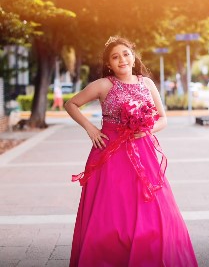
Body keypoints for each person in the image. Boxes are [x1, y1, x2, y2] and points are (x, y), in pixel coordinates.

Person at [65, 36, 198, 267]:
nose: (122, 60)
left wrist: (146, 129)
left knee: (153, 210)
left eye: (126, 54)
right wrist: (91, 130)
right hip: (109, 153)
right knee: (111, 212)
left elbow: (163, 119)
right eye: (115, 57)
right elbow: (71, 104)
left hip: (142, 152)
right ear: (109, 64)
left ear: (133, 56)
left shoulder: (147, 83)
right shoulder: (103, 85)